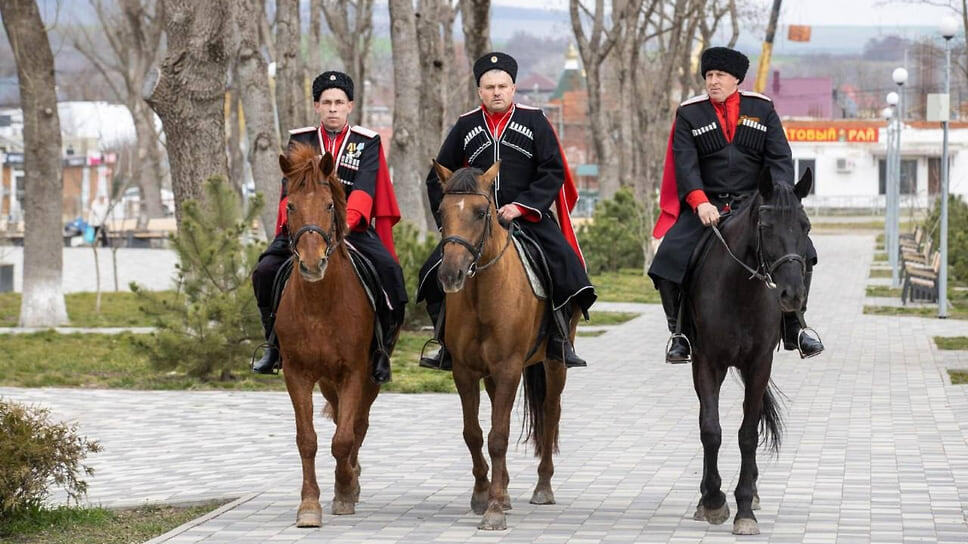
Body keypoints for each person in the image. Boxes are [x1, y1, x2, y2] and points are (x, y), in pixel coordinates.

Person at [417, 52, 596, 371]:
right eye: (489, 87)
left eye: (502, 86)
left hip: (527, 219)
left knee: (567, 269)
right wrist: (451, 221)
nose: (496, 92)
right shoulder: (465, 125)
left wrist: (522, 206)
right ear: (479, 91)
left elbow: (553, 171)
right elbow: (438, 175)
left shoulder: (535, 121)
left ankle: (558, 340)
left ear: (513, 88)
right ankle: (445, 344)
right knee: (431, 274)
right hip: (473, 226)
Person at [649, 46, 824, 364]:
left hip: (756, 204)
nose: (713, 81)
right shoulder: (690, 113)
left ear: (736, 79)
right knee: (667, 259)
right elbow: (685, 164)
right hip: (707, 206)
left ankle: (795, 326)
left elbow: (780, 159)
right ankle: (680, 334)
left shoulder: (763, 109)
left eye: (720, 76)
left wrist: (777, 198)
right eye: (709, 76)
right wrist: (699, 202)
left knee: (805, 252)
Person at [250, 71, 407, 384]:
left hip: (351, 227)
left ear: (350, 106)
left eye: (339, 102)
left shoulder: (367, 142)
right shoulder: (300, 140)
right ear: (316, 107)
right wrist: (298, 227)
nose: (333, 108)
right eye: (326, 102)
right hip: (304, 227)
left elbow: (364, 189)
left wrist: (345, 223)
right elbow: (288, 191)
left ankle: (381, 351)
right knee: (264, 272)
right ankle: (273, 343)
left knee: (391, 274)